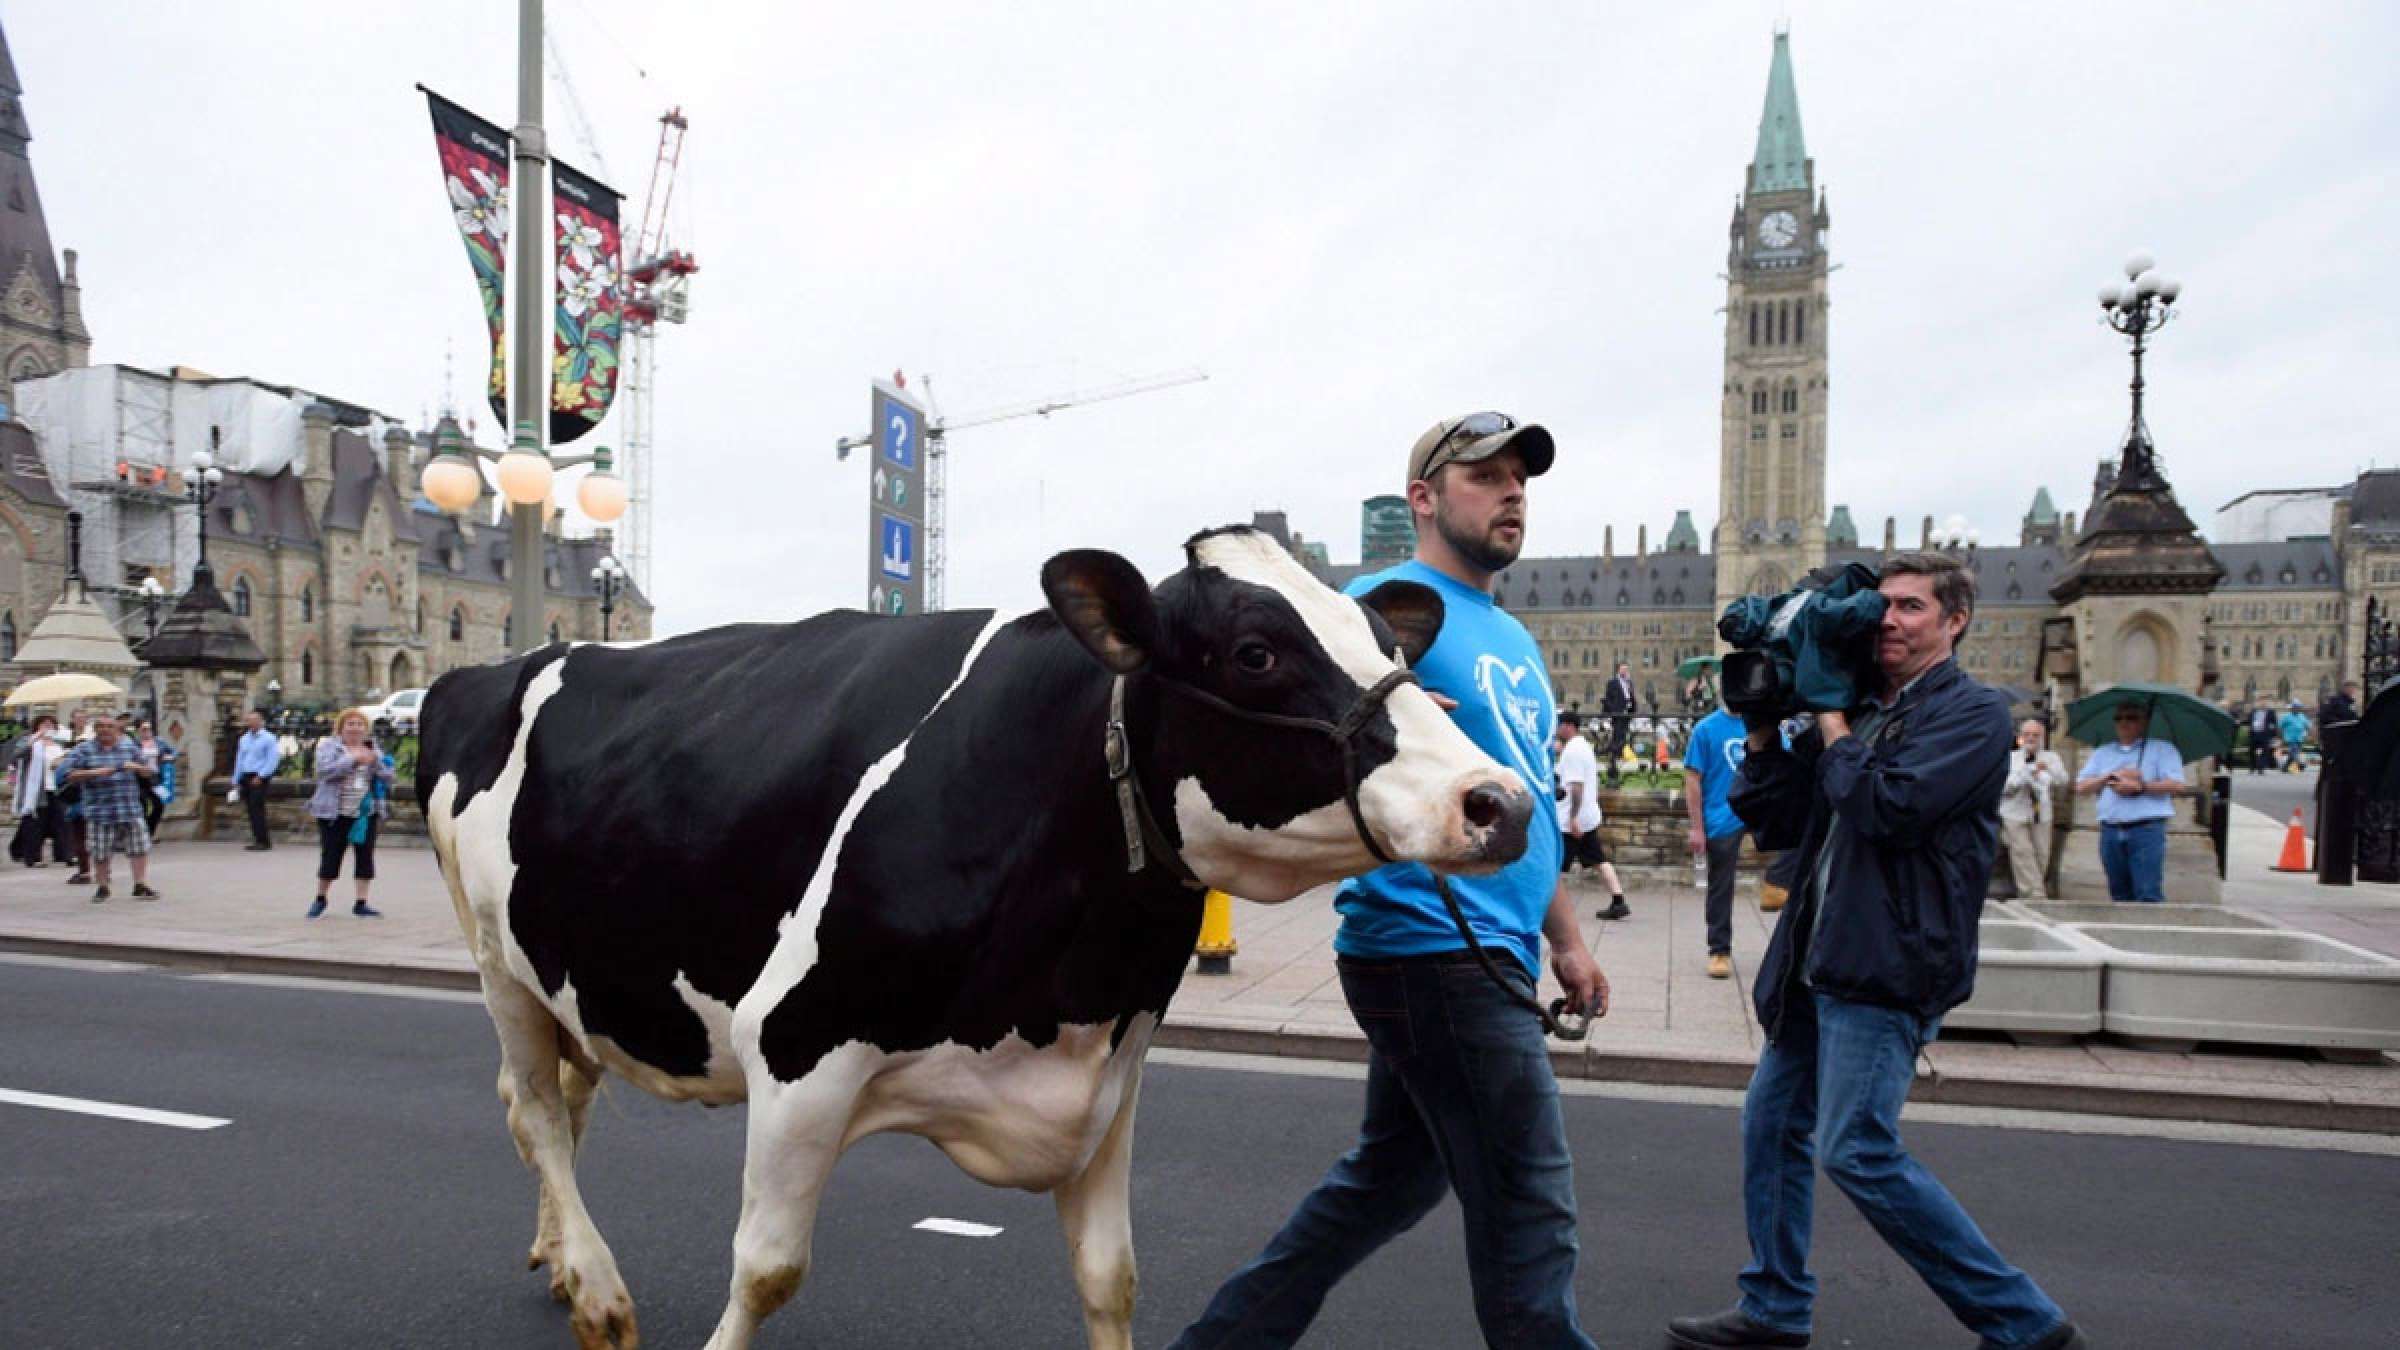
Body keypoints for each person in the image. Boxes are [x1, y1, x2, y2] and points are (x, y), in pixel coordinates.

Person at [1172, 411, 1608, 1350]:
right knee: (1531, 1210)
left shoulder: (1513, 637)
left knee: (1387, 1183)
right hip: (1432, 946)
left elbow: (1527, 798)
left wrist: (1567, 940)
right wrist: (1383, 715)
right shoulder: (1376, 611)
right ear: (1424, 498)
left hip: (1488, 945)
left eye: (1519, 479)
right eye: (1485, 477)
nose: (1512, 493)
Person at [1667, 552, 2086, 1350]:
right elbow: (1779, 823)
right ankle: (1774, 1307)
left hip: (1887, 963)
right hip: (1815, 962)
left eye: (1910, 607)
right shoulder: (1862, 708)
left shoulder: (1972, 715)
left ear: (1955, 621)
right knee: (1770, 1128)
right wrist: (1762, 728)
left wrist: (1830, 720)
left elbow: (1886, 807)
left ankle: (2027, 1325)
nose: (1887, 620)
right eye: (1881, 605)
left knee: (1856, 1148)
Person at [2074, 700, 2185, 905]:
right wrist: (2108, 777)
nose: (2124, 723)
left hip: (2145, 829)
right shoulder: (2103, 752)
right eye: (2119, 718)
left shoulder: (2162, 749)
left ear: (2144, 722)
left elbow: (2177, 785)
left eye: (2131, 718)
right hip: (2111, 828)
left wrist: (2140, 786)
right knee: (2119, 893)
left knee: (2147, 892)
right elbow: (2081, 787)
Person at [1683, 695, 1754, 980]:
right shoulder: (1706, 729)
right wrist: (1697, 827)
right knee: (1721, 887)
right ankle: (1719, 950)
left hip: (1760, 810)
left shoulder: (1761, 724)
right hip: (1722, 817)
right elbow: (1692, 780)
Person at [56, 713, 159, 903]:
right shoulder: (84, 749)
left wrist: (136, 768)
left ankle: (140, 884)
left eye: (109, 726)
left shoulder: (129, 747)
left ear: (117, 728)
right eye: (100, 726)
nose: (105, 730)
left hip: (129, 807)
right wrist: (95, 772)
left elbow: (150, 771)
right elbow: (67, 775)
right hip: (99, 810)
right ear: (95, 729)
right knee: (100, 851)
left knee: (139, 848)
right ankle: (103, 886)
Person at [307, 709, 394, 918]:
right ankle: (320, 898)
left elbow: (388, 777)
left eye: (359, 724)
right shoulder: (330, 747)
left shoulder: (372, 748)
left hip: (365, 812)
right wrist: (352, 760)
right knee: (331, 856)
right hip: (334, 812)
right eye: (350, 724)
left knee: (365, 856)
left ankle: (361, 902)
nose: (355, 728)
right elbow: (324, 772)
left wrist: (375, 761)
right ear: (341, 727)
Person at [1554, 711, 1629, 920]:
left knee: (1554, 866)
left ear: (1568, 726)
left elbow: (1577, 787)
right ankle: (1618, 901)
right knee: (1598, 860)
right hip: (1585, 817)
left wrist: (1573, 818)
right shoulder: (1581, 746)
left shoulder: (1573, 751)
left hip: (1572, 821)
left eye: (1559, 725)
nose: (1556, 729)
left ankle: (1551, 910)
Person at [1999, 719, 2066, 902]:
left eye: (2035, 735)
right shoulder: (2011, 759)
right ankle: (2035, 896)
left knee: (2041, 855)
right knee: (2022, 853)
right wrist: (2024, 775)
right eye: (2027, 735)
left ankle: (2029, 894)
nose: (2031, 738)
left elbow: (2062, 780)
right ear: (2020, 737)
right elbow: (2003, 787)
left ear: (2042, 738)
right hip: (2014, 813)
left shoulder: (2051, 758)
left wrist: (2047, 770)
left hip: (2041, 815)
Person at [8, 714, 63, 867]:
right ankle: (32, 857)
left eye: (51, 724)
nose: (48, 727)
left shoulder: (58, 743)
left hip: (56, 787)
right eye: (44, 724)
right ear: (37, 726)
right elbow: (16, 756)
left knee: (61, 822)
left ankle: (64, 854)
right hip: (37, 789)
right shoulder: (30, 741)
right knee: (35, 823)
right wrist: (32, 741)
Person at [233, 709, 280, 851]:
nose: (251, 723)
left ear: (260, 721)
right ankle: (257, 838)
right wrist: (236, 778)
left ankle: (263, 840)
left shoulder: (269, 738)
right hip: (246, 775)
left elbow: (272, 759)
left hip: (259, 776)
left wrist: (262, 775)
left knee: (257, 808)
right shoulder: (244, 739)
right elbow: (240, 759)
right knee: (250, 809)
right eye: (249, 721)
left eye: (254, 720)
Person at [133, 718, 176, 837]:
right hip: (139, 779)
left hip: (155, 777)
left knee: (159, 805)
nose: (148, 731)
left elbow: (172, 752)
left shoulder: (159, 741)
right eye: (144, 729)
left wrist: (169, 758)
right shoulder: (134, 744)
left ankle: (149, 832)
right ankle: (141, 832)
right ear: (138, 730)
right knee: (142, 804)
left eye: (149, 729)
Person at [1602, 660, 1638, 784]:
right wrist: (1613, 710)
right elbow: (1608, 698)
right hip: (1617, 712)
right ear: (1618, 670)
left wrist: (1633, 707)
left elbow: (1631, 696)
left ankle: (1621, 753)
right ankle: (1614, 756)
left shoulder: (1629, 682)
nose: (1625, 671)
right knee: (1617, 734)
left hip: (1627, 711)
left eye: (1626, 669)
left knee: (1623, 733)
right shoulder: (1612, 682)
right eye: (1623, 669)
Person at [2279, 702, 2311, 774]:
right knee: (2294, 751)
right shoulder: (2287, 716)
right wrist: (2282, 736)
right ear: (2292, 708)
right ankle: (2300, 764)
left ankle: (2285, 767)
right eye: (2295, 707)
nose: (2297, 709)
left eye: (2298, 707)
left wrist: (2307, 734)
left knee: (2293, 753)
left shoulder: (2302, 716)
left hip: (2299, 737)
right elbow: (2280, 726)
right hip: (2290, 737)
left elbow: (2308, 725)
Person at [2246, 702, 2277, 774]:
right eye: (2261, 703)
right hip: (2254, 733)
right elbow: (2248, 721)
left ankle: (2261, 767)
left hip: (2264, 734)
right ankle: (2252, 766)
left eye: (2264, 703)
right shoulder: (2253, 712)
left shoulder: (2270, 712)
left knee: (2265, 751)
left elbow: (2274, 723)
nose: (2262, 704)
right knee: (2252, 751)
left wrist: (2273, 735)